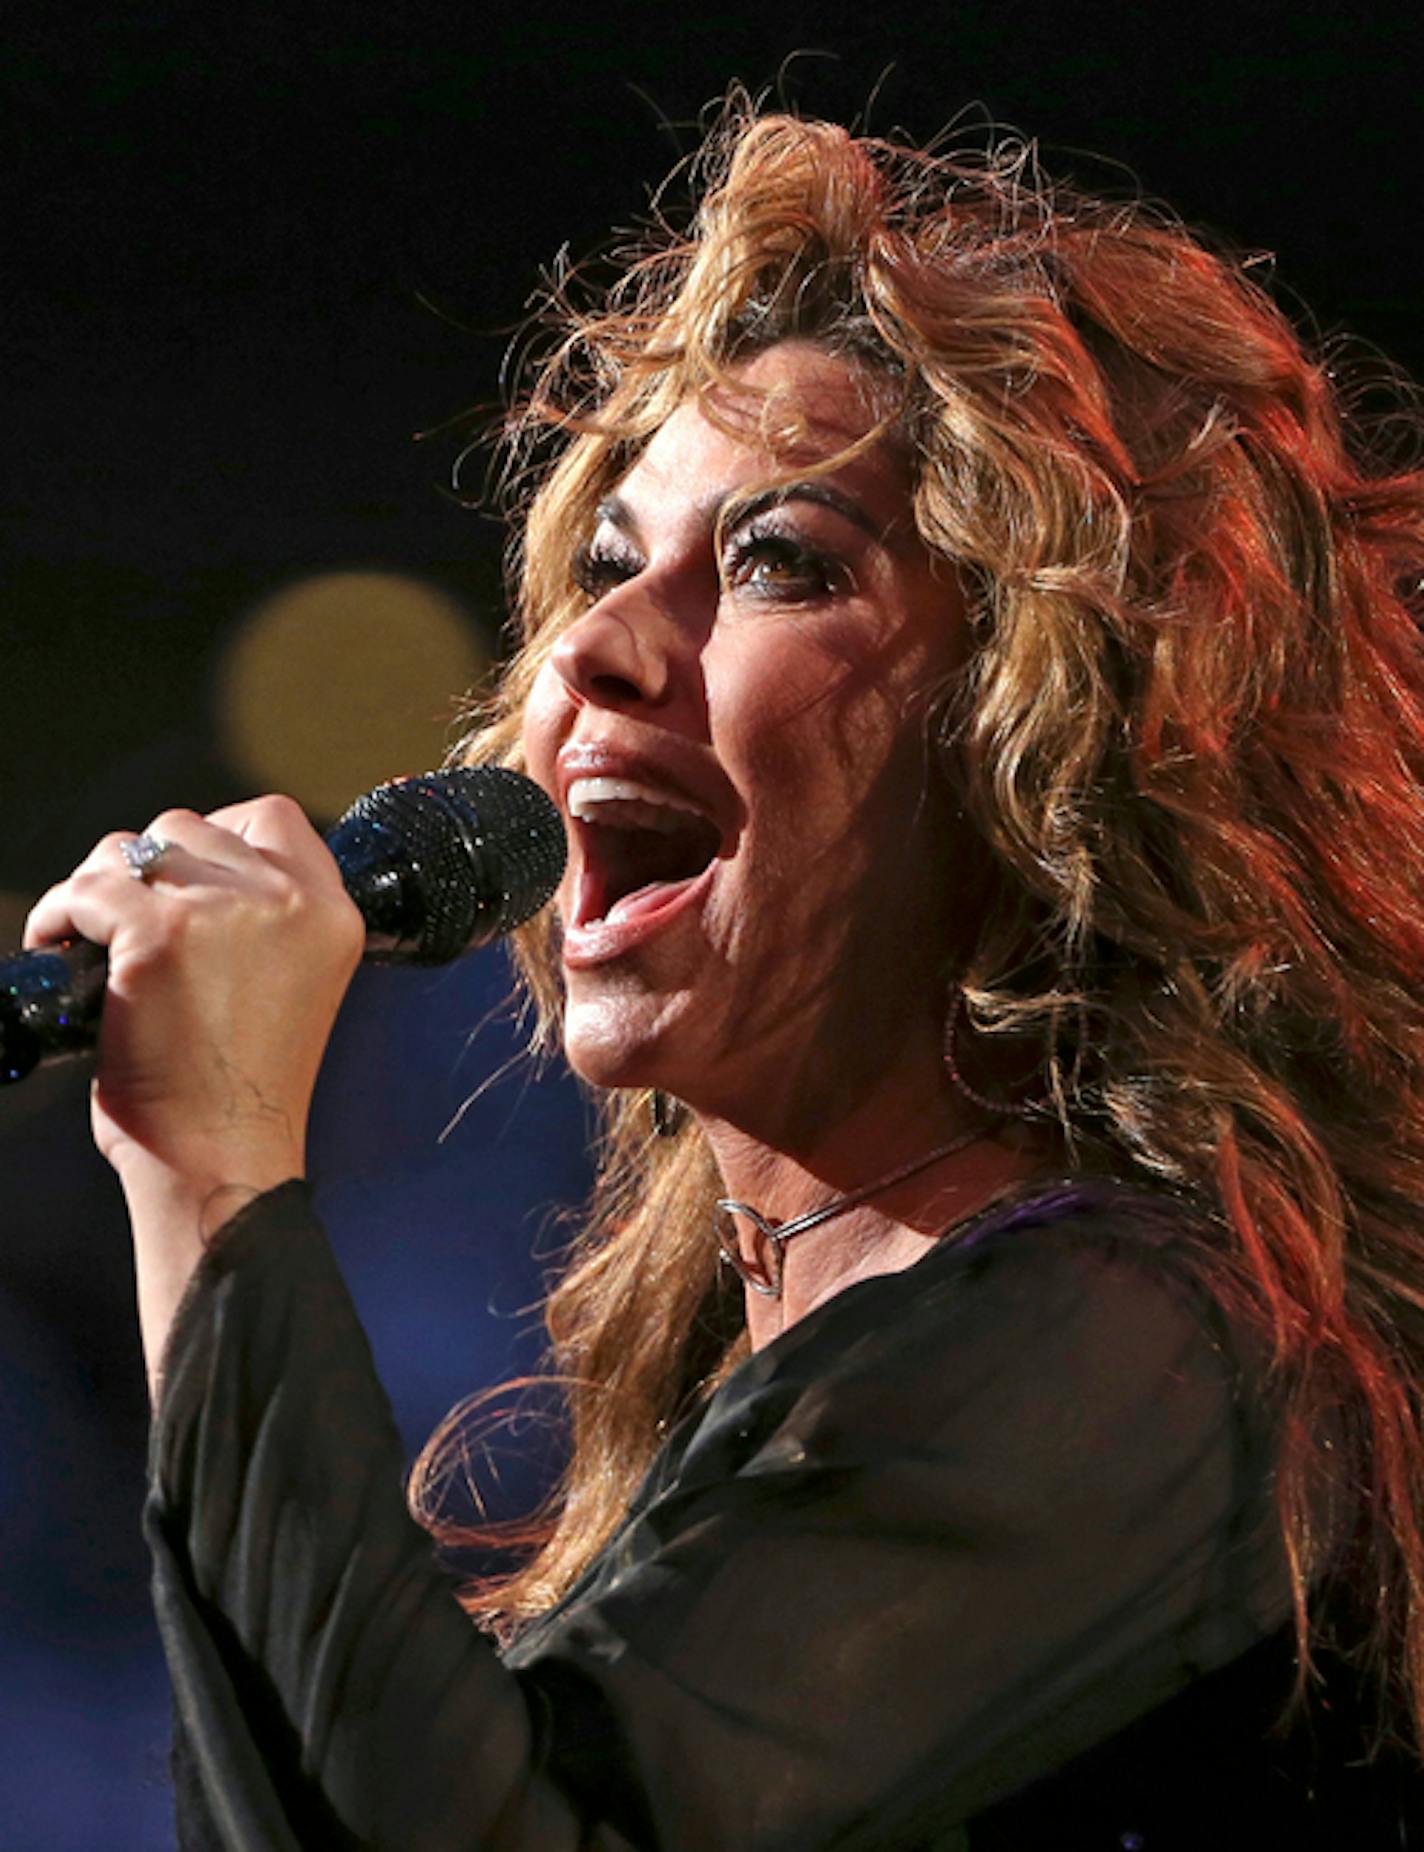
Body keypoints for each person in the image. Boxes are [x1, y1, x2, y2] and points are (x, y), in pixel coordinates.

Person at [27, 106, 1424, 1846]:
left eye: (777, 563)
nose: (595, 647)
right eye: (608, 562)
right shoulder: (776, 1337)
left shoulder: (1141, 1340)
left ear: (1048, 736)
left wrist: (220, 1175)